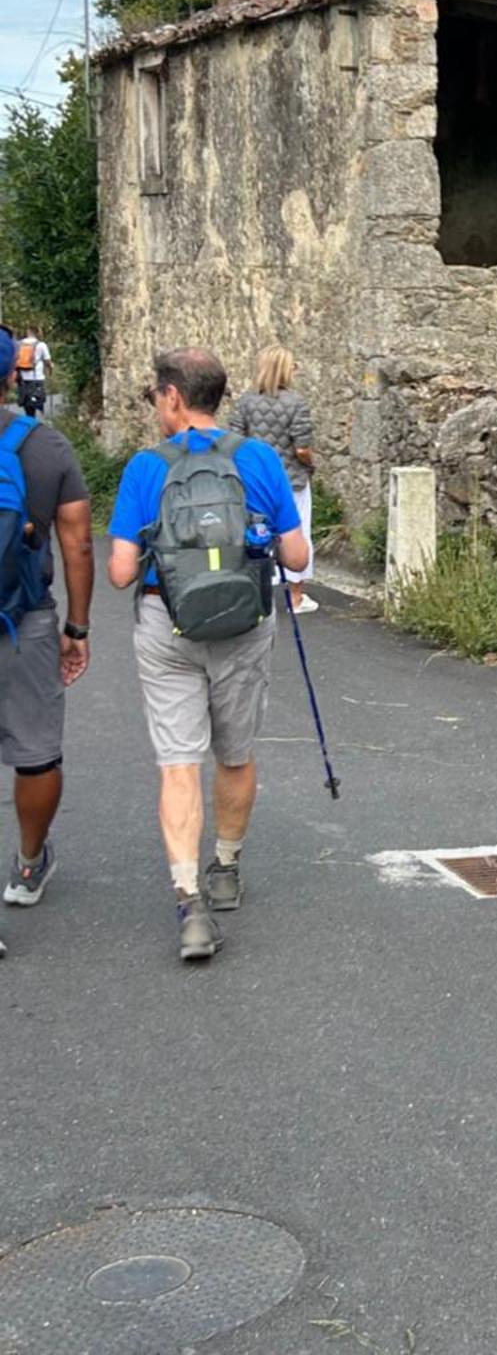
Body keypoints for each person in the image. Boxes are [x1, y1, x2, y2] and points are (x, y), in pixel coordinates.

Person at [107, 347, 309, 965]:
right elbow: (297, 559)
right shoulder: (258, 460)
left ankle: (188, 899)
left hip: (169, 631)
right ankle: (225, 866)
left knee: (177, 764)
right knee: (236, 754)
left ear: (172, 396)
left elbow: (119, 572)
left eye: (154, 396)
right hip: (244, 627)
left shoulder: (146, 468)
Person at [0, 328, 92, 962]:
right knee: (35, 753)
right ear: (13, 376)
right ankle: (29, 864)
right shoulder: (43, 444)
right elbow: (78, 539)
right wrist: (77, 628)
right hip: (24, 617)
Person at [226, 346, 318, 613]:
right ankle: (296, 596)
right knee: (298, 533)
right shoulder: (297, 403)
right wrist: (311, 464)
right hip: (291, 478)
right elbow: (302, 448)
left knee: (255, 532)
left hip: (252, 480)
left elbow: (233, 441)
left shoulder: (245, 402)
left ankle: (254, 590)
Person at [15, 330, 51, 419]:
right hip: (37, 377)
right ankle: (40, 421)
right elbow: (47, 361)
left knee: (26, 401)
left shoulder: (18, 344)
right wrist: (50, 369)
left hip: (22, 378)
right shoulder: (41, 345)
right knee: (38, 399)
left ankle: (30, 418)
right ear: (37, 334)